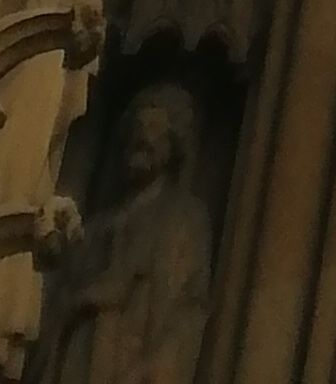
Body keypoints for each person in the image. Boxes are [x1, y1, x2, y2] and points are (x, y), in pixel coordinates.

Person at [43, 82, 215, 384]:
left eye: (154, 129)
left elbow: (188, 308)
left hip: (131, 363)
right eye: (136, 127)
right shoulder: (95, 228)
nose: (141, 137)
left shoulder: (184, 219)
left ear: (173, 145)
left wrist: (153, 368)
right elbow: (59, 304)